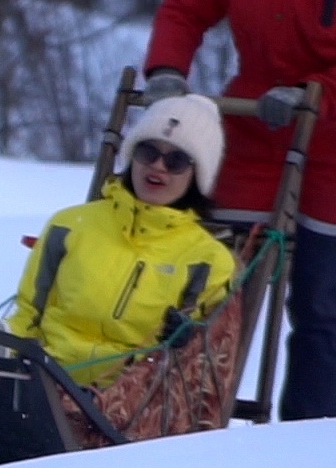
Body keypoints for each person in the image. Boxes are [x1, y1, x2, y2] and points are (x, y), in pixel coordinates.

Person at [142, 0, 336, 420]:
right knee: (213, 291)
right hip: (252, 133)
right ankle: (181, 415)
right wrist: (166, 68)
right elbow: (185, 10)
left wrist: (314, 91)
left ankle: (309, 433)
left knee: (321, 307)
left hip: (331, 145)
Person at [9, 94, 236, 388]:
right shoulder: (69, 225)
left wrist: (187, 339)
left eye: (176, 160)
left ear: (197, 175)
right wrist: (1, 344)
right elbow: (28, 312)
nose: (158, 166)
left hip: (135, 395)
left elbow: (209, 356)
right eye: (147, 151)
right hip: (47, 375)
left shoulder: (209, 261)